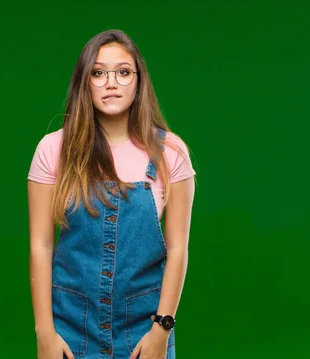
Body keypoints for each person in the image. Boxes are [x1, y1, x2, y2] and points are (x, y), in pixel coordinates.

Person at [27, 29, 196, 359]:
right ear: (84, 82)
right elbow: (41, 246)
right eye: (98, 73)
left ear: (138, 81)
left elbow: (178, 249)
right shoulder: (53, 150)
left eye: (123, 72)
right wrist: (45, 333)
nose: (111, 82)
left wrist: (162, 330)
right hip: (70, 329)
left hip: (144, 329)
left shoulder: (171, 153)